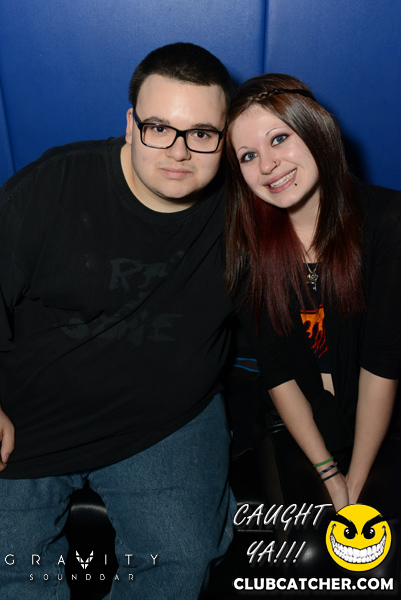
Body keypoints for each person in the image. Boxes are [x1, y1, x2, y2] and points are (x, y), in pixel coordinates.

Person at [0, 42, 237, 599]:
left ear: (225, 139)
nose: (179, 151)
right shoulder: (55, 184)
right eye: (159, 128)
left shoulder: (244, 207)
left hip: (165, 421)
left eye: (202, 133)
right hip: (30, 412)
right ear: (131, 125)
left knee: (180, 558)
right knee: (9, 566)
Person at [225, 73, 401, 513]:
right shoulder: (246, 246)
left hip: (382, 415)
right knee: (306, 540)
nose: (267, 165)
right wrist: (328, 473)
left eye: (279, 138)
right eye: (248, 155)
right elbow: (277, 372)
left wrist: (354, 482)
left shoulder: (388, 222)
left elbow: (381, 363)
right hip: (299, 421)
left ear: (317, 130)